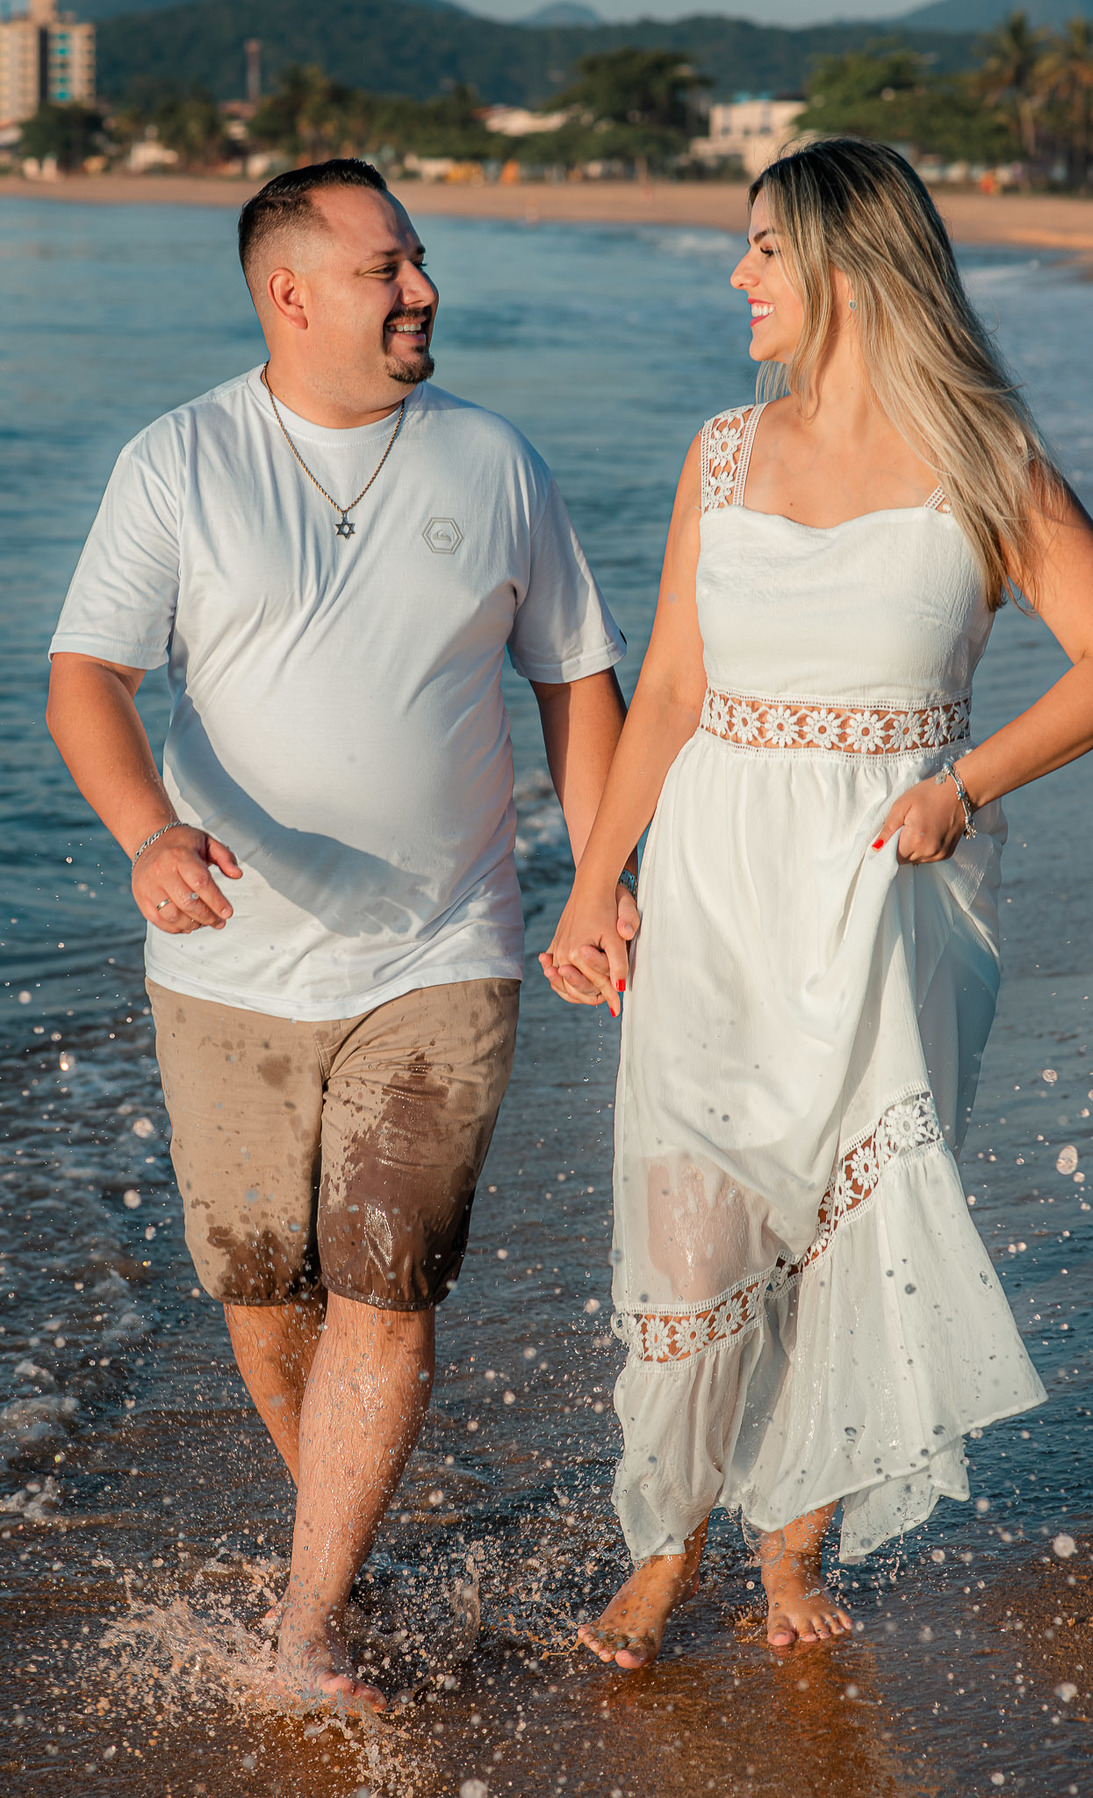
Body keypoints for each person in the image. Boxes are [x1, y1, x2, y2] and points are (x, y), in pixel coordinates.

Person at [542, 139, 1093, 1670]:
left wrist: (965, 784)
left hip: (889, 887)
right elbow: (676, 686)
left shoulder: (984, 457)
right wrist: (594, 879)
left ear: (844, 264)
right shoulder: (722, 452)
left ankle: (790, 1547)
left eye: (764, 248)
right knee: (695, 1234)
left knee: (840, 1223)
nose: (737, 275)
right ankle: (664, 1543)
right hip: (711, 872)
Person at [46, 158, 635, 1710]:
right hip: (225, 963)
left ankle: (308, 1623)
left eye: (418, 260)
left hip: (443, 950)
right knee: (263, 1301)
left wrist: (597, 879)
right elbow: (86, 680)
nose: (424, 288)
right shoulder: (178, 463)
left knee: (387, 1274)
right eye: (390, 267)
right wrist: (146, 832)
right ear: (289, 290)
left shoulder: (495, 460)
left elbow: (576, 678)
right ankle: (343, 1543)